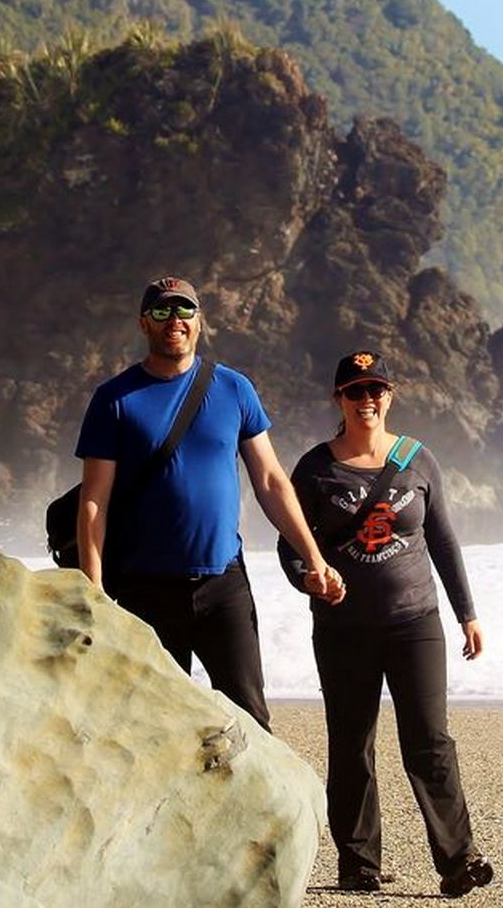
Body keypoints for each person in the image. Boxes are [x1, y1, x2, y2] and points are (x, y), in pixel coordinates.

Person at [75, 276, 344, 732]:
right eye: (161, 312)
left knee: (251, 721)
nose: (174, 321)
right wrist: (93, 593)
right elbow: (93, 502)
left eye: (184, 311)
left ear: (199, 322)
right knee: (153, 727)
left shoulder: (233, 389)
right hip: (145, 590)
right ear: (145, 324)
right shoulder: (114, 399)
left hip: (223, 584)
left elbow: (271, 482)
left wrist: (313, 558)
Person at [279, 350, 494, 898]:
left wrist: (466, 612)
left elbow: (442, 539)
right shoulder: (315, 468)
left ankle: (458, 859)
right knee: (352, 744)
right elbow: (290, 545)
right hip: (342, 628)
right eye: (355, 391)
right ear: (339, 401)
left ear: (390, 397)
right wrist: (308, 577)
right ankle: (357, 865)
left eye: (376, 390)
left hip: (414, 622)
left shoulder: (418, 459)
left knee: (429, 740)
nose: (367, 400)